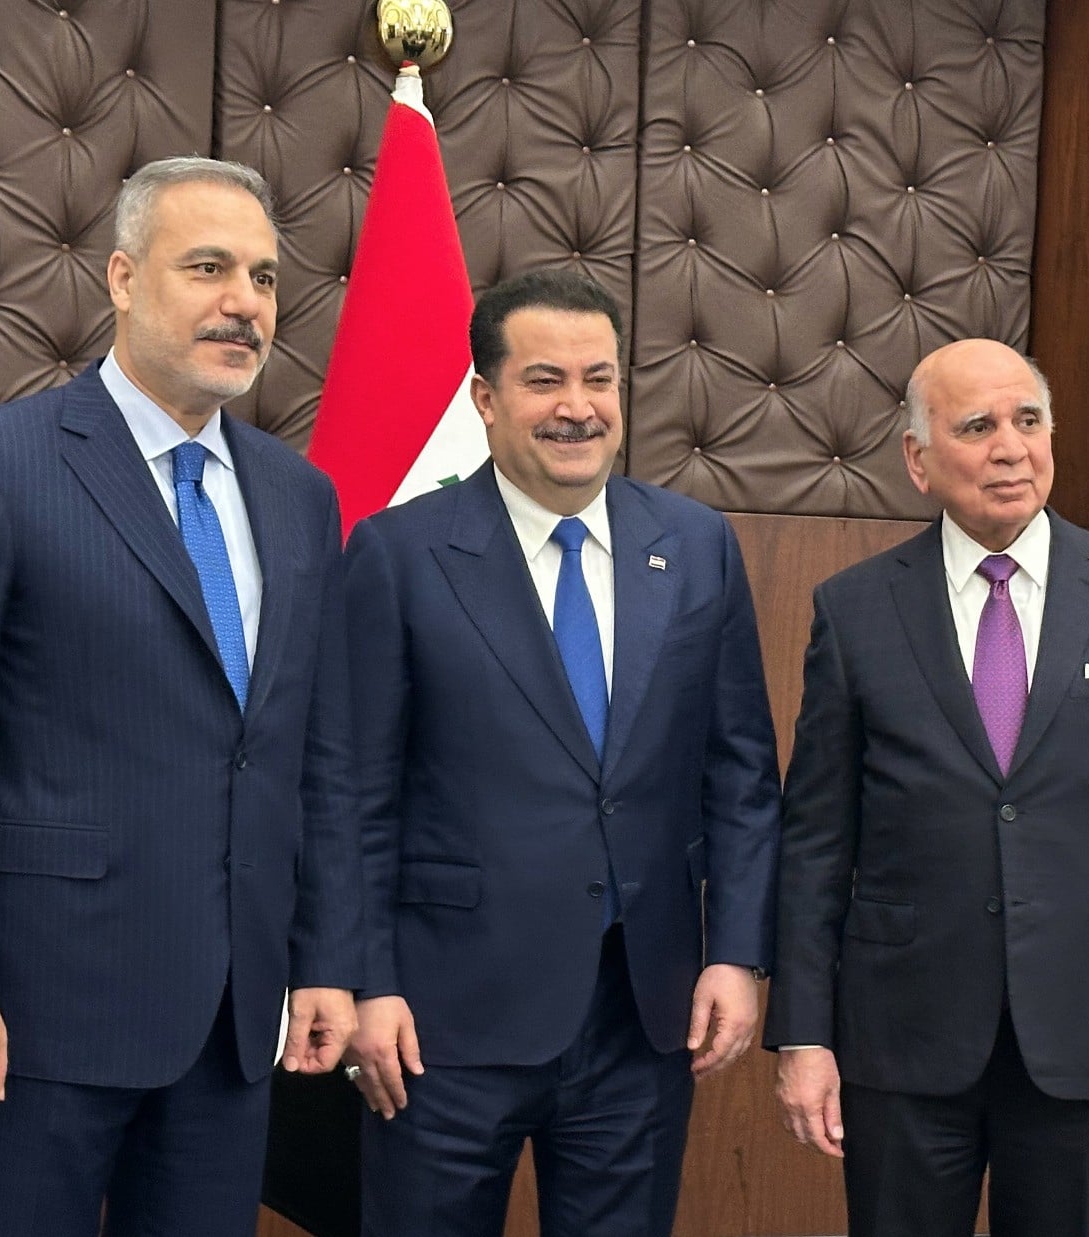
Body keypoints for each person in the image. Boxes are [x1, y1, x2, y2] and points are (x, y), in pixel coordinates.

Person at [0, 156, 363, 1237]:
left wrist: (328, 960)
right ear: (124, 278)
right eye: (208, 268)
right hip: (35, 1015)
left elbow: (316, 755)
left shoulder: (300, 497)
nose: (244, 301)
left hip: (233, 1023)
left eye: (265, 277)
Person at [765, 338, 1089, 1237]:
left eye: (1028, 420)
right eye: (978, 426)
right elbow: (816, 841)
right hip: (902, 1039)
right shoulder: (855, 609)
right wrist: (803, 1032)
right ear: (919, 459)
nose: (1011, 448)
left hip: (1087, 1038)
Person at [341, 268, 781, 1237]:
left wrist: (738, 953)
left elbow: (741, 775)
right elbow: (353, 793)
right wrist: (368, 980)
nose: (577, 407)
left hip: (642, 1012)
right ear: (485, 398)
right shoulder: (398, 554)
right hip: (442, 1021)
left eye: (599, 378)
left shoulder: (696, 545)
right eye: (544, 380)